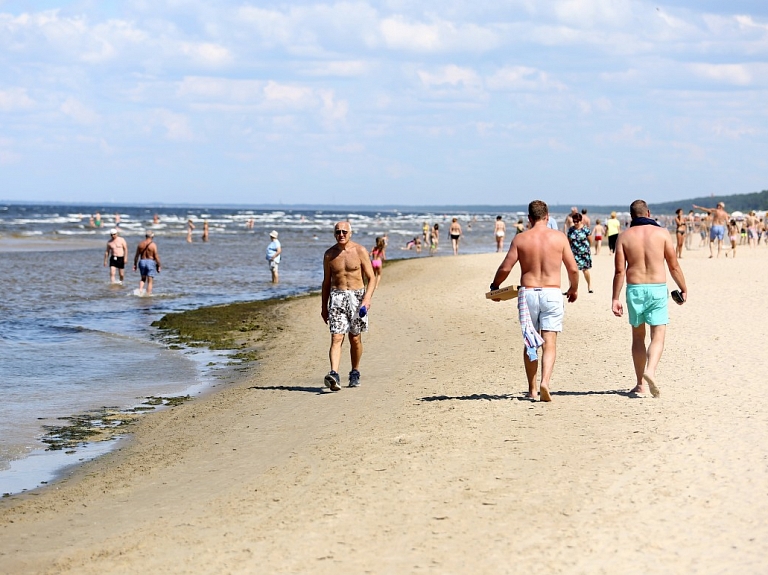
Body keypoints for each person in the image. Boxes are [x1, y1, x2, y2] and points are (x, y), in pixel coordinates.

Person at [490, 200, 579, 402]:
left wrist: (495, 287)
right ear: (547, 217)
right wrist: (574, 288)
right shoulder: (559, 238)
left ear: (529, 218)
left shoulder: (521, 239)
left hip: (528, 293)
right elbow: (572, 268)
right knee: (550, 342)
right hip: (552, 292)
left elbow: (506, 267)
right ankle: (545, 382)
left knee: (531, 342)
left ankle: (532, 389)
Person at [611, 200, 687, 398]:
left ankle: (639, 385)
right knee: (658, 336)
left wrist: (615, 298)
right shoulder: (662, 234)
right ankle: (650, 371)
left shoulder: (624, 237)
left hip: (635, 289)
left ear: (631, 216)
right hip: (657, 288)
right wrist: (683, 288)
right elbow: (673, 266)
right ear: (649, 213)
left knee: (637, 337)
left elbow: (620, 270)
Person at [321, 221, 376, 391]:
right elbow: (326, 282)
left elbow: (371, 278)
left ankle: (355, 371)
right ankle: (334, 374)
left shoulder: (360, 251)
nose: (341, 234)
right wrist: (324, 307)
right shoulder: (330, 255)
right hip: (337, 297)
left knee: (355, 338)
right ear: (334, 234)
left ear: (350, 233)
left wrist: (367, 298)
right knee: (337, 337)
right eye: (338, 232)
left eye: (344, 231)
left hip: (357, 297)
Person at [566, 213, 593, 293]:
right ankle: (572, 288)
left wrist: (587, 249)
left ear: (581, 221)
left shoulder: (586, 229)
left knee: (585, 270)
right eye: (574, 221)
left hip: (584, 253)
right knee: (573, 271)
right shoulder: (571, 230)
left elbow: (591, 240)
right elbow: (568, 241)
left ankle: (589, 286)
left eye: (577, 221)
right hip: (574, 253)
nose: (576, 223)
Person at [133, 230, 161, 296]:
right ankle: (148, 295)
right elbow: (156, 256)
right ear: (152, 236)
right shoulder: (153, 245)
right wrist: (159, 265)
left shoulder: (140, 244)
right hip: (150, 262)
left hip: (142, 261)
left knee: (143, 278)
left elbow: (136, 256)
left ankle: (140, 290)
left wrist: (135, 264)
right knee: (150, 281)